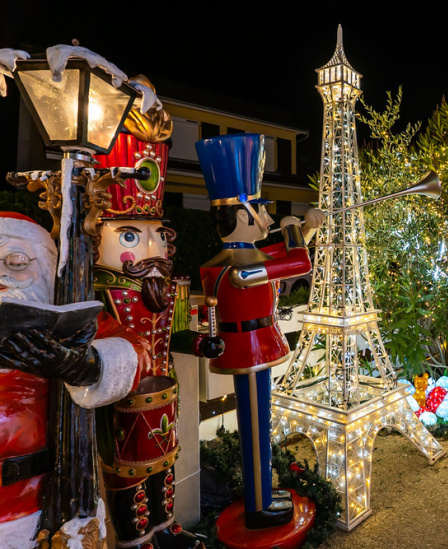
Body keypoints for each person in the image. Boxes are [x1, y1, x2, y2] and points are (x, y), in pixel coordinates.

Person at [92, 86, 220, 549]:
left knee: (165, 467)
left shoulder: (164, 291)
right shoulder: (98, 296)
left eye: (156, 236)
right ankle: (135, 541)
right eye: (130, 235)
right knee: (127, 479)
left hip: (164, 398)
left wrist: (200, 343)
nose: (151, 250)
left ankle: (166, 530)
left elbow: (173, 336)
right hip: (122, 411)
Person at [0, 212, 152, 548]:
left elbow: (138, 351)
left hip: (33, 504)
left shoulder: (67, 315)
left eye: (16, 261)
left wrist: (82, 366)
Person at [197, 133, 317, 530]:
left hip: (256, 347)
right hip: (248, 351)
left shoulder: (239, 259)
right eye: (261, 212)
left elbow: (284, 256)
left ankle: (263, 494)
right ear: (243, 216)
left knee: (259, 424)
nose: (266, 220)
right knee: (254, 427)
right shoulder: (238, 268)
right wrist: (293, 226)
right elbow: (298, 262)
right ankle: (258, 507)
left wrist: (308, 227)